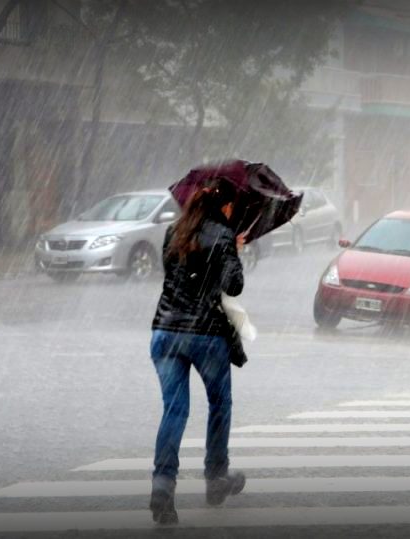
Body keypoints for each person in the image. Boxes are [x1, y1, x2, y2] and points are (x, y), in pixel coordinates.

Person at [149, 176, 247, 525]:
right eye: (233, 206)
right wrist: (233, 251)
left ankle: (163, 486)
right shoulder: (222, 234)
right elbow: (233, 284)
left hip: (165, 331)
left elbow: (174, 274)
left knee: (174, 410)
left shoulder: (173, 231)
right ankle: (216, 477)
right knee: (219, 403)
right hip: (205, 334)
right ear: (226, 206)